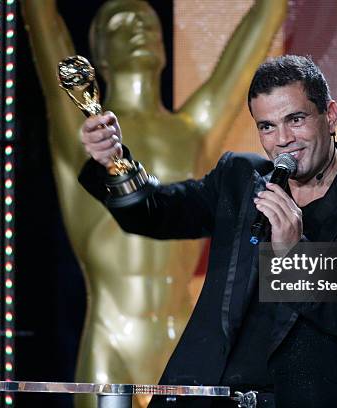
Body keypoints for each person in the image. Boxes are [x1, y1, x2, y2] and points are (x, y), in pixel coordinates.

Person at [79, 55, 337, 407]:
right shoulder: (241, 179)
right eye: (267, 127)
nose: (283, 139)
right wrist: (113, 163)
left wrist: (296, 256)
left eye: (296, 119)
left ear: (330, 115)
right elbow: (153, 213)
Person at [20, 1, 286, 404]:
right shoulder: (86, 131)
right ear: (99, 55)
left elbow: (243, 59)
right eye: (120, 24)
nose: (139, 29)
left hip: (182, 334)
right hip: (112, 341)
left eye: (147, 22)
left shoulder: (194, 130)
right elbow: (45, 25)